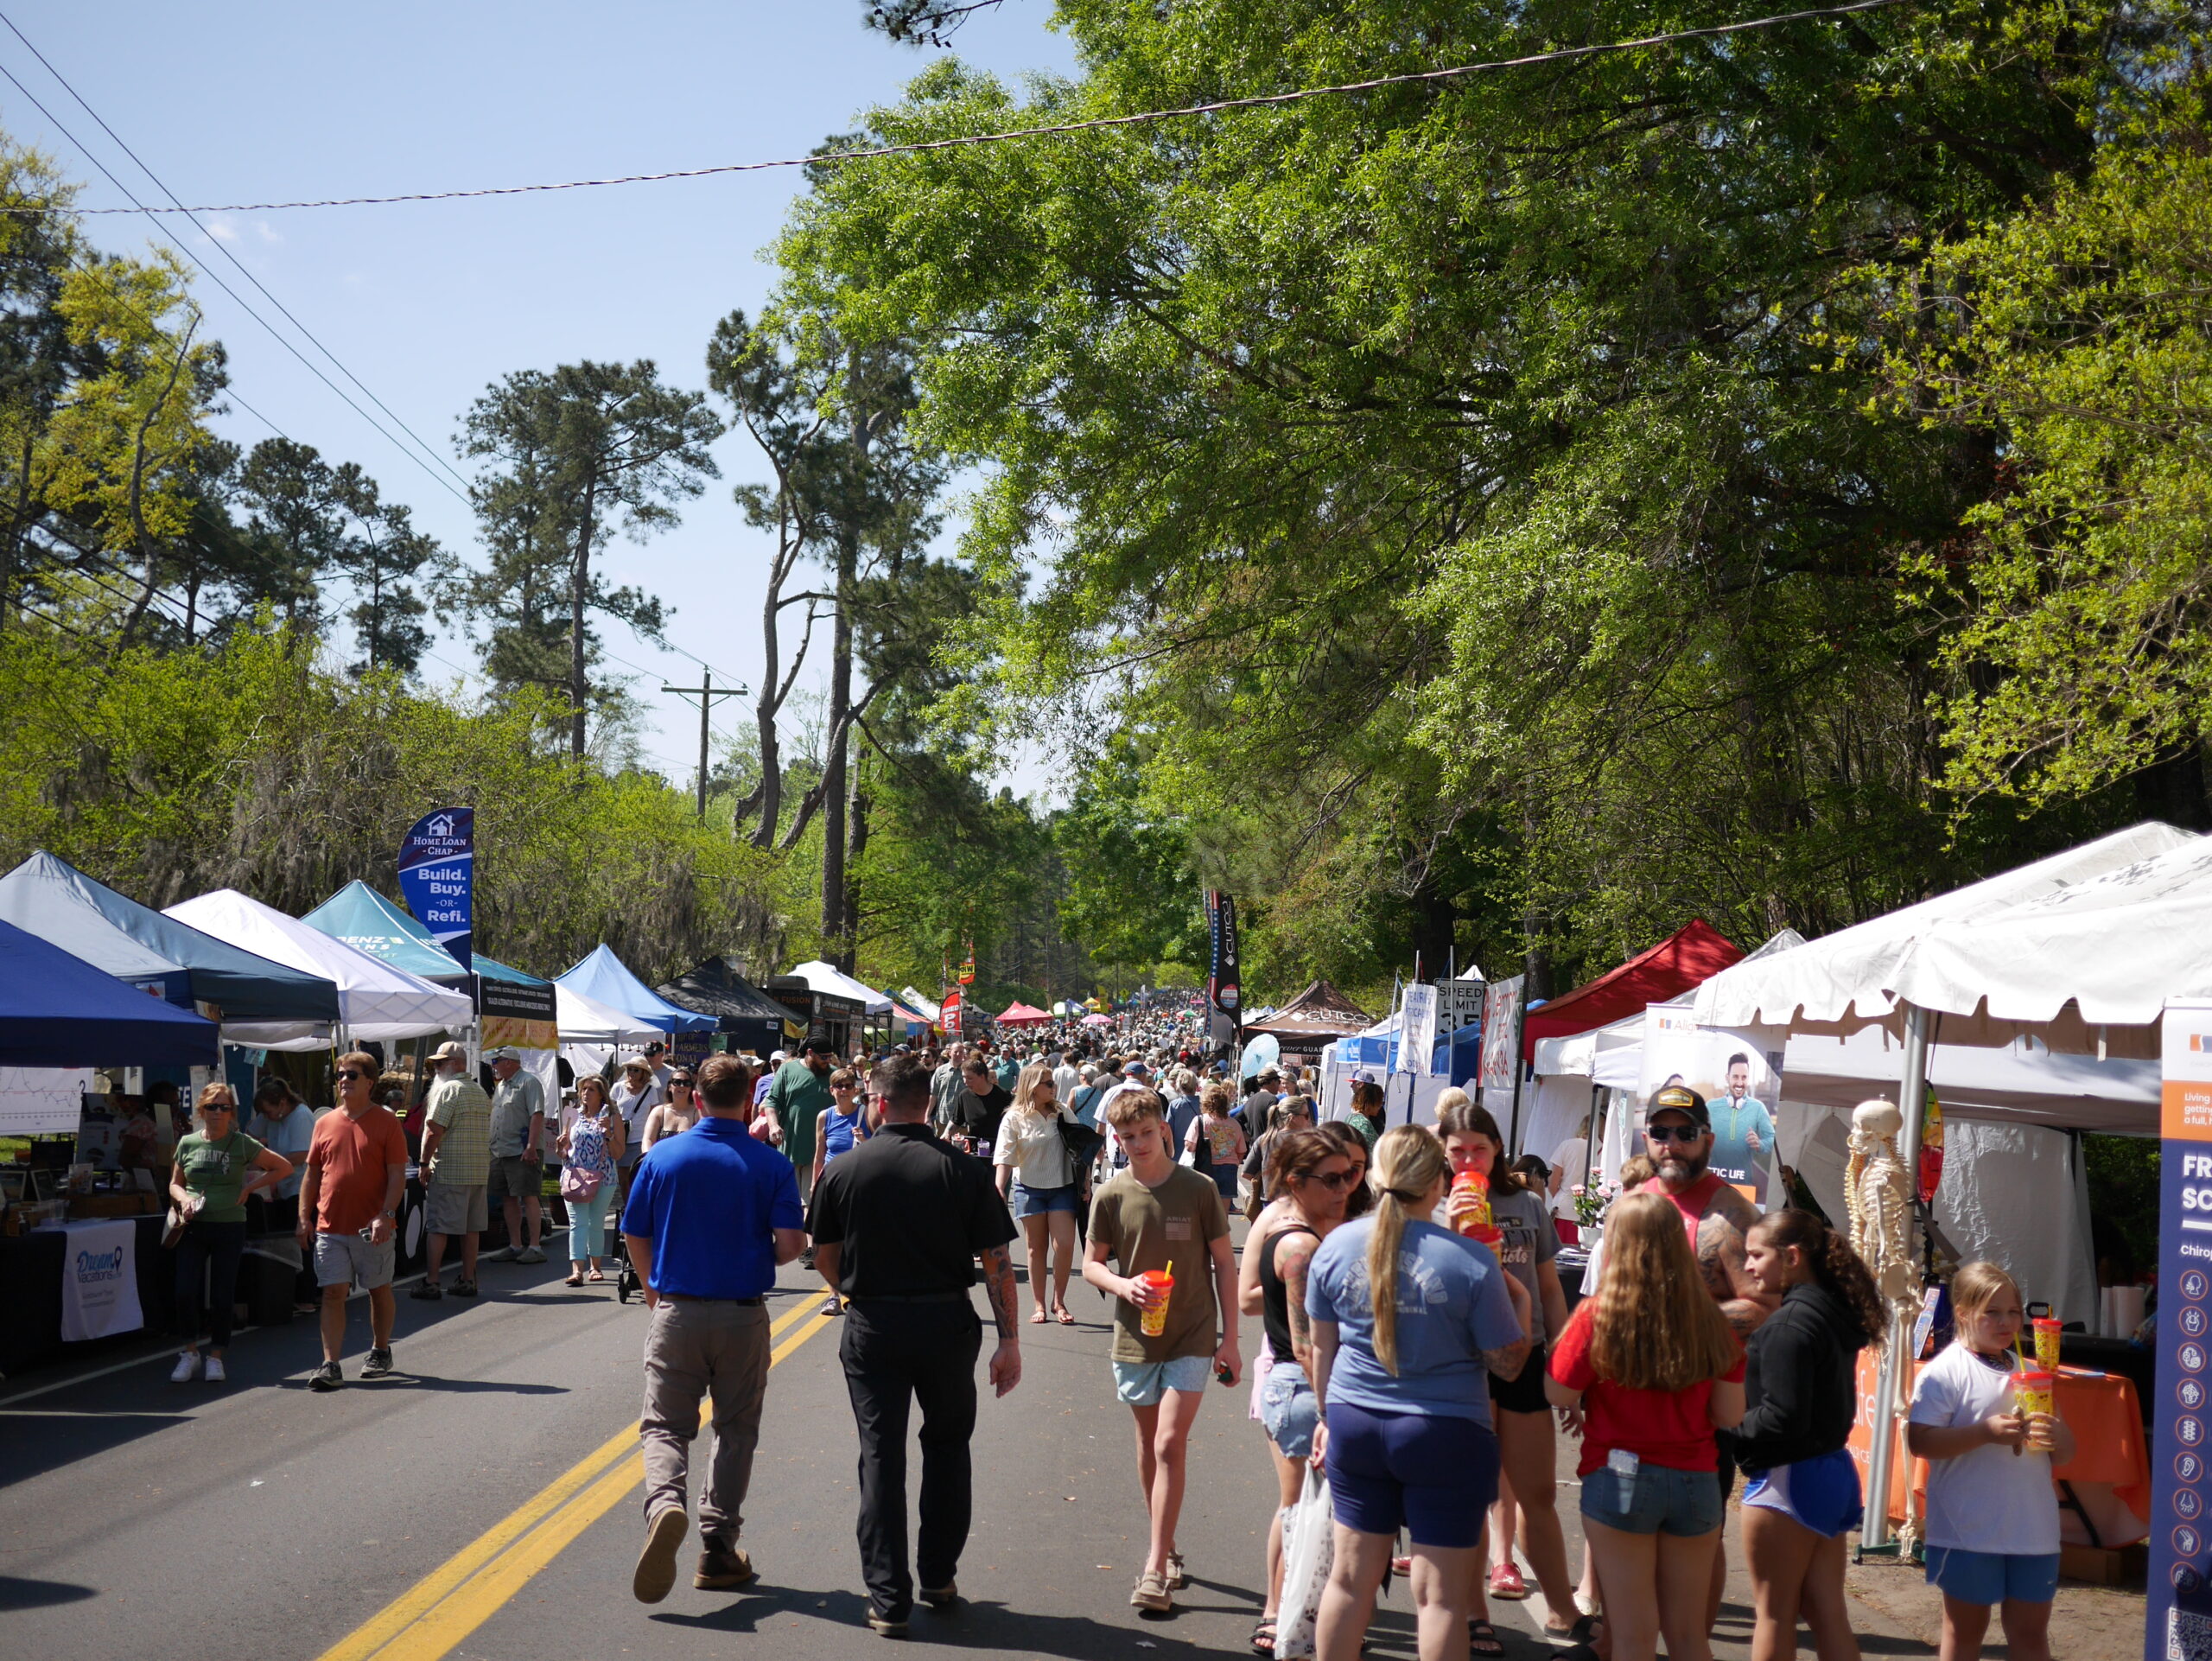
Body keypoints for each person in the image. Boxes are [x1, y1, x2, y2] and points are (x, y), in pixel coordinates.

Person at [808, 1053, 1024, 1637]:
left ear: (879, 1102)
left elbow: (825, 1257)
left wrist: (857, 1290)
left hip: (874, 1325)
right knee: (948, 1447)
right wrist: (1010, 1341)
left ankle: (888, 1598)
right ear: (928, 1104)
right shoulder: (964, 1170)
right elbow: (997, 1263)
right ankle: (938, 1574)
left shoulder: (843, 1171)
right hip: (946, 1323)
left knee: (881, 1455)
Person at [1306, 1126, 1532, 1661]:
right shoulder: (1469, 1260)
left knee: (1348, 1582)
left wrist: (1327, 1417)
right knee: (1440, 1601)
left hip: (1355, 1420)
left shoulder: (1334, 1246)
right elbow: (1509, 1362)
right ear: (1439, 1183)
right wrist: (1514, 1295)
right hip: (1445, 1429)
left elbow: (1320, 1350)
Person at [621, 1052, 806, 1605]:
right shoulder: (769, 1164)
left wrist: (653, 1289)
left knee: (664, 1426)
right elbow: (792, 1246)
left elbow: (635, 1232)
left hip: (676, 1307)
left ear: (695, 1097)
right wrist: (752, 1254)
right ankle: (719, 1547)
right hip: (742, 1312)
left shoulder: (663, 1158)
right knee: (735, 1427)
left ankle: (665, 1504)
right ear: (749, 1098)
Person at [1545, 1192, 1746, 1661]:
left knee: (1632, 1637)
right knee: (1689, 1637)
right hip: (1695, 1480)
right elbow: (1731, 1415)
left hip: (1620, 1478)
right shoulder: (1713, 1321)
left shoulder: (1598, 1315)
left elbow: (1557, 1392)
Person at [1083, 1085, 1241, 1615]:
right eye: (1127, 1136)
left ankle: (1154, 1567)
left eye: (1146, 1133)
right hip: (1134, 1336)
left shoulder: (1197, 1189)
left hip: (1192, 1334)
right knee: (1150, 1446)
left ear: (1164, 1130)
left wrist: (1232, 1342)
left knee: (1171, 1443)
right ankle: (1166, 1543)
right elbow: (1091, 1264)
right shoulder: (1110, 1195)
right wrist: (1123, 1286)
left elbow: (1225, 1264)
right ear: (1117, 1138)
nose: (1138, 1144)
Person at [1435, 1100, 1580, 1645]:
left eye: (1479, 1147)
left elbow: (1549, 1289)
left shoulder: (1527, 1204)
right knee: (1471, 1490)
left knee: (1537, 1490)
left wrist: (1565, 1359)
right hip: (1464, 1361)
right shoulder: (1434, 1204)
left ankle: (1564, 1608)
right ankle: (1475, 1614)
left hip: (1526, 1352)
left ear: (1496, 1149)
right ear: (1444, 1155)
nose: (1468, 1158)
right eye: (1458, 1150)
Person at [1636, 1083, 1780, 1629]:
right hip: (1632, 1401)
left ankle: (1694, 1633)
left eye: (1686, 1133)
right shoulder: (1636, 1200)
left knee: (1699, 1533)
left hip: (1703, 1407)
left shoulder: (1730, 1216)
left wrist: (1684, 1324)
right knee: (1627, 1525)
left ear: (1708, 1138)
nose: (1672, 1144)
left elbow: (1765, 1304)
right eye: (1661, 1132)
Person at [1738, 1209, 1884, 1661]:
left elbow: (1782, 1416)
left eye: (1757, 1255)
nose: (1748, 1266)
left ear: (1793, 1256)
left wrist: (1725, 1436)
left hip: (1790, 1478)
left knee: (1775, 1614)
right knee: (1827, 1611)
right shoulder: (1832, 1315)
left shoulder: (1788, 1325)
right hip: (1832, 1473)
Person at [1905, 1261, 2070, 1661]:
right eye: (1992, 1312)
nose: (2007, 1322)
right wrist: (1984, 1433)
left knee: (2031, 1637)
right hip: (1968, 1529)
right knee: (1964, 1635)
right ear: (1963, 1313)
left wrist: (2058, 1436)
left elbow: (2064, 1454)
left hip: (2033, 1528)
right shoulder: (1945, 1372)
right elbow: (1919, 1441)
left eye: (2013, 1311)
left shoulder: (2029, 1372)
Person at [1246, 1128, 1356, 1654]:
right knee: (1306, 1513)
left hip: (1297, 1388)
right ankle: (1286, 1618)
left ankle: (1290, 1617)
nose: (1344, 1188)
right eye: (1331, 1179)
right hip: (1303, 1389)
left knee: (1308, 1513)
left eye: (1351, 1176)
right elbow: (1308, 1344)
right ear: (1296, 1181)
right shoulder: (1298, 1245)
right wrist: (1333, 1416)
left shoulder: (1310, 1234)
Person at [167, 1083, 293, 1384]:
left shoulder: (240, 1143)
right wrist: (184, 1200)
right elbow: (174, 1183)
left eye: (224, 1107)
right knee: (185, 1290)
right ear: (201, 1110)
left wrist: (250, 1187)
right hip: (194, 1226)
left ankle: (216, 1356)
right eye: (212, 1107)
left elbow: (284, 1167)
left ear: (231, 1113)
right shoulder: (188, 1143)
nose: (218, 1113)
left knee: (223, 1294)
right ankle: (190, 1352)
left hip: (230, 1226)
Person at [297, 1052, 409, 1391]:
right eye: (341, 1074)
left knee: (378, 1289)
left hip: (371, 1226)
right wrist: (304, 1217)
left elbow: (396, 1175)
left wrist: (386, 1215)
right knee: (333, 1293)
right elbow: (312, 1173)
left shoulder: (387, 1123)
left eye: (352, 1075)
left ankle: (380, 1349)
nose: (343, 1079)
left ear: (370, 1083)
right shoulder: (325, 1122)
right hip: (330, 1226)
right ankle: (330, 1364)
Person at [994, 1062, 1081, 1327]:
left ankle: (1059, 1301)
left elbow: (1081, 1147)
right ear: (1032, 1087)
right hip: (1029, 1187)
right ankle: (1040, 1304)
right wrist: (999, 1188)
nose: (1054, 1087)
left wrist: (1086, 1182)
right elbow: (1005, 1155)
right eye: (1048, 1083)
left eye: (1052, 1082)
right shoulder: (1014, 1117)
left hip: (1062, 1186)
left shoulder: (1062, 1112)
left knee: (1064, 1244)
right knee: (1036, 1248)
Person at [415, 1040, 492, 1301]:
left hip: (451, 1170)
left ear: (456, 1064)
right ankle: (468, 1279)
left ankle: (432, 1281)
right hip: (478, 1170)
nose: (436, 1068)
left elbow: (433, 1130)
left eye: (440, 1063)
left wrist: (424, 1164)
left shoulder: (449, 1090)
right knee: (471, 1230)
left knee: (439, 1227)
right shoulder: (480, 1091)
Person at [810, 1068, 872, 1314]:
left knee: (855, 1243)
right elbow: (819, 1153)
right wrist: (816, 1184)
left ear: (856, 1089)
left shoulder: (866, 1115)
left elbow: (881, 1149)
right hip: (831, 1185)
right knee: (830, 1243)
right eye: (840, 1086)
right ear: (832, 1090)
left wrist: (865, 1141)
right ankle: (833, 1296)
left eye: (848, 1085)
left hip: (859, 1185)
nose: (844, 1090)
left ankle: (856, 1291)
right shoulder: (824, 1116)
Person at [483, 1047, 549, 1265]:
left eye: (496, 1061)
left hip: (522, 1150)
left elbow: (537, 1115)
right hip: (501, 1150)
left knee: (528, 1195)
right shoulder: (501, 1085)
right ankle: (515, 1245)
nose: (494, 1065)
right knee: (507, 1197)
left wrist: (531, 1146)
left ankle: (535, 1246)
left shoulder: (529, 1082)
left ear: (509, 1062)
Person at [559, 1074, 626, 1286]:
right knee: (578, 1223)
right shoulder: (572, 1115)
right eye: (583, 1089)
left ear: (601, 1095)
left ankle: (595, 1266)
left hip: (603, 1177)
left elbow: (618, 1153)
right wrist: (561, 1146)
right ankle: (577, 1270)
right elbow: (564, 1151)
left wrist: (608, 1134)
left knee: (595, 1223)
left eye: (591, 1090)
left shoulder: (612, 1117)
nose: (585, 1094)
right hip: (575, 1176)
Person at [766, 1039, 838, 1212]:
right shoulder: (787, 1070)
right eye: (824, 1057)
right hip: (789, 1147)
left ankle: (807, 1240)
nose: (828, 1061)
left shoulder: (834, 1075)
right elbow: (772, 1101)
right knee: (787, 1203)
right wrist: (773, 1125)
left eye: (830, 1057)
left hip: (819, 1152)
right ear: (810, 1053)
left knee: (810, 1204)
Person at [1708, 1055, 1778, 1197]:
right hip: (1712, 1185)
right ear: (1728, 1078)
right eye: (1735, 1077)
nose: (1740, 1082)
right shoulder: (1710, 1106)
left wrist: (1760, 1144)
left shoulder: (1758, 1108)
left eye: (1744, 1077)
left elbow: (1771, 1138)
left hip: (1743, 1187)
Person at [1185, 1080, 1248, 1204]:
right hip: (1229, 1169)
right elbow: (1242, 1151)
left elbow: (1189, 1146)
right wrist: (1233, 1162)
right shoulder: (1234, 1124)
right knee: (1223, 1214)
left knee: (1204, 1209)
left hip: (1205, 1167)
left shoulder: (1200, 1121)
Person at [948, 1053, 1012, 1158]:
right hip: (975, 1152)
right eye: (964, 1078)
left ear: (982, 1077)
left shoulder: (1004, 1096)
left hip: (1000, 1152)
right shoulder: (965, 1096)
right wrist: (946, 1135)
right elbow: (956, 1120)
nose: (965, 1082)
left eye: (970, 1078)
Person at [641, 1069, 702, 1150]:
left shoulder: (698, 1113)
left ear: (691, 1088)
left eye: (686, 1083)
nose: (682, 1086)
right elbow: (648, 1140)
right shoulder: (659, 1112)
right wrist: (649, 1159)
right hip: (660, 1161)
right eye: (677, 1082)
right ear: (669, 1087)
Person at [1344, 1079, 1386, 1153]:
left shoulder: (1350, 1117)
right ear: (1370, 1102)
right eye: (1380, 1101)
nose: (1381, 1105)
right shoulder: (1363, 1124)